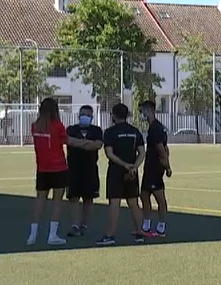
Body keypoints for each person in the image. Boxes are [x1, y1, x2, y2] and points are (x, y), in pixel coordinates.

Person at [97, 103, 146, 245]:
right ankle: (139, 233)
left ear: (114, 115)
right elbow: (142, 152)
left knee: (114, 202)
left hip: (116, 171)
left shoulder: (110, 132)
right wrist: (133, 167)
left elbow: (109, 153)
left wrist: (124, 165)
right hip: (132, 172)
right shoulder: (135, 131)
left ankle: (110, 235)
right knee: (133, 202)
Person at [29, 98, 70, 246]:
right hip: (58, 168)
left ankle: (32, 236)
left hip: (42, 169)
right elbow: (65, 140)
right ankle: (52, 235)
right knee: (57, 202)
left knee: (40, 201)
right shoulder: (58, 126)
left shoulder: (35, 126)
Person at [65, 105, 105, 237]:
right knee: (73, 197)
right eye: (83, 114)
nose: (85, 117)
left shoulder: (97, 130)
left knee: (88, 198)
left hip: (90, 169)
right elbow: (69, 141)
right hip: (73, 169)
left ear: (92, 117)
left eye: (88, 115)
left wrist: (80, 143)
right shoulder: (71, 129)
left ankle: (84, 225)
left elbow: (97, 145)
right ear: (78, 115)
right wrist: (87, 143)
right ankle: (74, 225)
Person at [138, 100, 171, 238]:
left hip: (155, 168)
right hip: (149, 167)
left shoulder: (156, 128)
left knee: (159, 197)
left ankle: (161, 227)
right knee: (144, 195)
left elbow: (162, 149)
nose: (141, 114)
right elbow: (166, 148)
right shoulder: (154, 127)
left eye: (142, 111)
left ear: (148, 111)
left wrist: (167, 167)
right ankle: (146, 225)